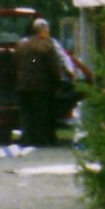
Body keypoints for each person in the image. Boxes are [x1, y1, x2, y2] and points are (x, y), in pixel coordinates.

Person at [14, 18, 66, 146]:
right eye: (47, 29)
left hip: (23, 85)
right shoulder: (47, 45)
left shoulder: (21, 44)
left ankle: (26, 138)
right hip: (41, 86)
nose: (48, 31)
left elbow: (15, 63)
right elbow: (54, 67)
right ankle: (41, 139)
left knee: (26, 114)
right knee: (41, 113)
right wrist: (59, 81)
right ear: (42, 30)